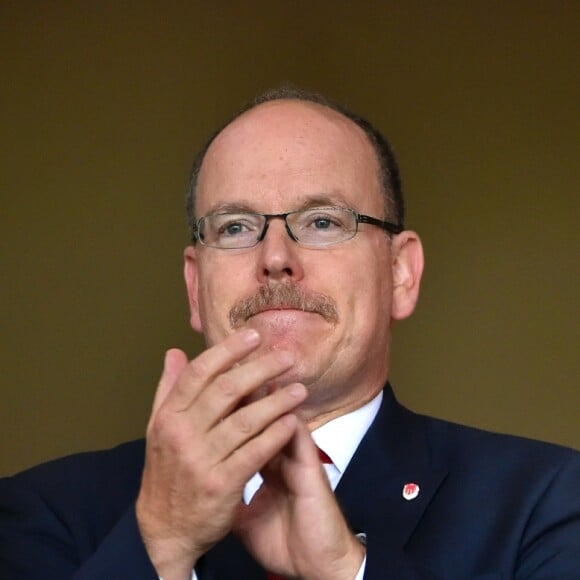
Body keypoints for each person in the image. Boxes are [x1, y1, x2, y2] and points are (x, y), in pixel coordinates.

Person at [0, 87, 578, 580]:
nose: (276, 257)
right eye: (235, 226)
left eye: (323, 222)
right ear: (194, 286)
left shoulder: (544, 502)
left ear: (401, 274)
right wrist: (162, 544)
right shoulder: (44, 511)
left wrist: (347, 570)